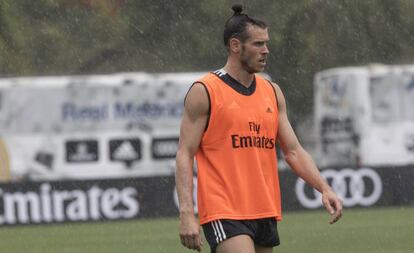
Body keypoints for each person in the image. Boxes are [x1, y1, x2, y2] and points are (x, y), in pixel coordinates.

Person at [175, 4, 343, 253]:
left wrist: (324, 188)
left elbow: (293, 151)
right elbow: (184, 154)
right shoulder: (205, 90)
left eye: (266, 44)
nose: (266, 51)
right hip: (224, 210)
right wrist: (187, 213)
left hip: (265, 208)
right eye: (258, 44)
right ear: (235, 46)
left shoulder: (272, 93)